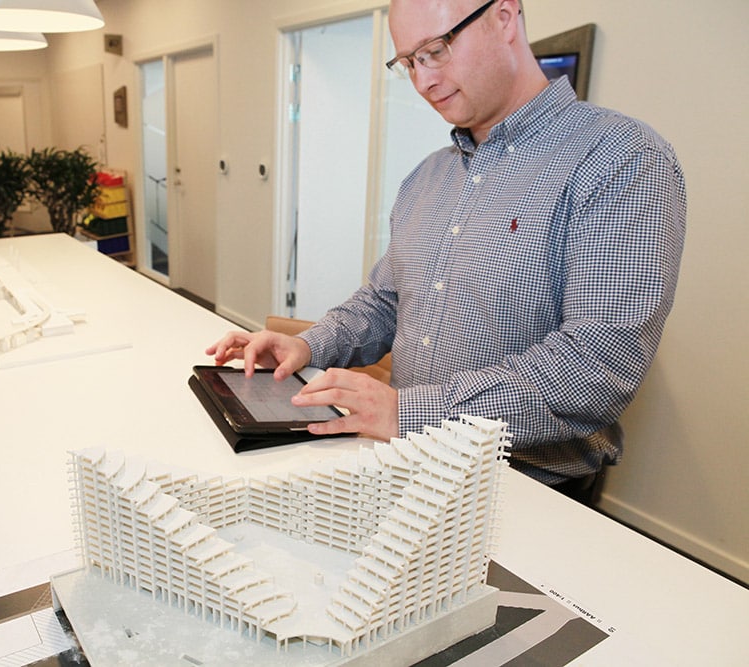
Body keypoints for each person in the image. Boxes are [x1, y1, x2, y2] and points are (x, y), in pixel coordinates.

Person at [207, 0, 686, 502]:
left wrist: (408, 414)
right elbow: (386, 301)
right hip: (403, 462)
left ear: (504, 18)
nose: (423, 81)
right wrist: (308, 345)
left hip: (525, 488)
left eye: (435, 51)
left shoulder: (622, 160)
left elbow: (596, 364)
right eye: (409, 62)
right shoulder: (429, 176)